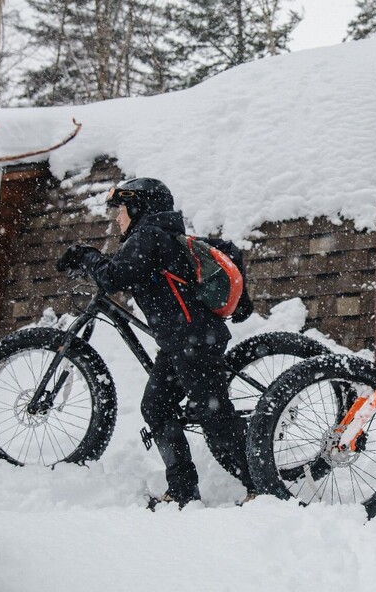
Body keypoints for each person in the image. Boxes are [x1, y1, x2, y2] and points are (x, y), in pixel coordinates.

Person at [56, 177, 256, 508]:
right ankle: (181, 491)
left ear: (139, 206)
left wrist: (84, 255)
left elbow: (113, 277)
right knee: (157, 407)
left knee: (215, 419)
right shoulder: (164, 235)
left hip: (193, 341)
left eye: (120, 209)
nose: (117, 218)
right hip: (183, 342)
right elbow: (230, 250)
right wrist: (243, 297)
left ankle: (259, 485)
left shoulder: (149, 235)